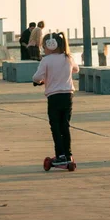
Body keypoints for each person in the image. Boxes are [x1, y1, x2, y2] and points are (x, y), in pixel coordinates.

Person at [32, 32, 79, 166]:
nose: (43, 49)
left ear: (50, 46)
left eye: (43, 47)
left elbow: (36, 78)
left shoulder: (46, 60)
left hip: (54, 96)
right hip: (68, 95)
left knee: (56, 127)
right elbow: (76, 69)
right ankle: (68, 155)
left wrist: (41, 81)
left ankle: (60, 155)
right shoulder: (68, 57)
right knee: (65, 125)